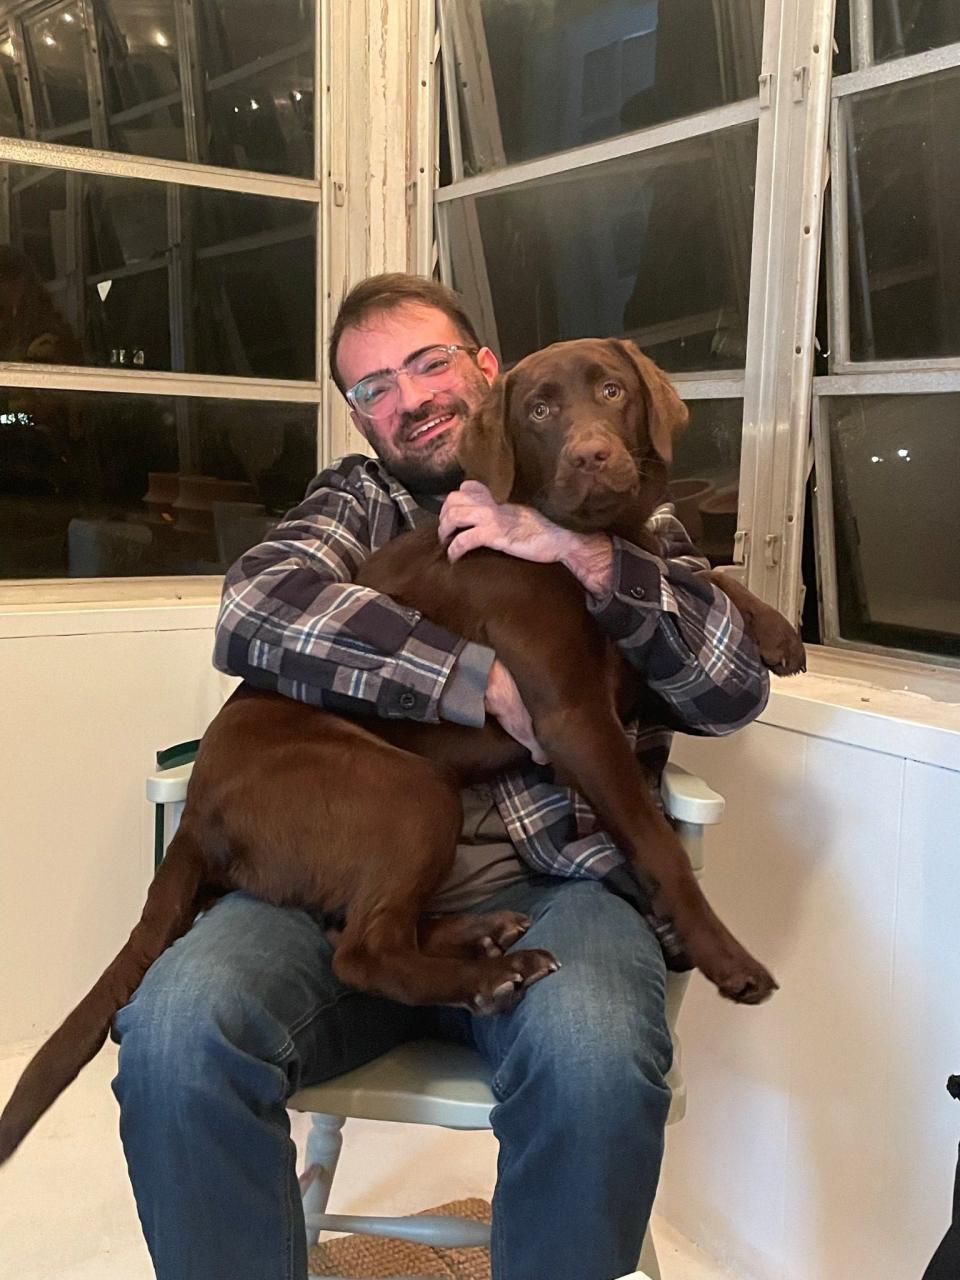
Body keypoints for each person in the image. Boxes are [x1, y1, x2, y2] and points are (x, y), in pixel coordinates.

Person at [111, 273, 770, 1280]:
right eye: (375, 386)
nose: (409, 398)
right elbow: (257, 610)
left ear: (485, 371)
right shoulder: (359, 503)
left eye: (428, 362)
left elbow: (729, 686)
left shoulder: (618, 509)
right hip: (338, 894)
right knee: (171, 1031)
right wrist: (475, 681)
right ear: (359, 414)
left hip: (557, 881)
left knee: (596, 1059)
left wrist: (583, 557)